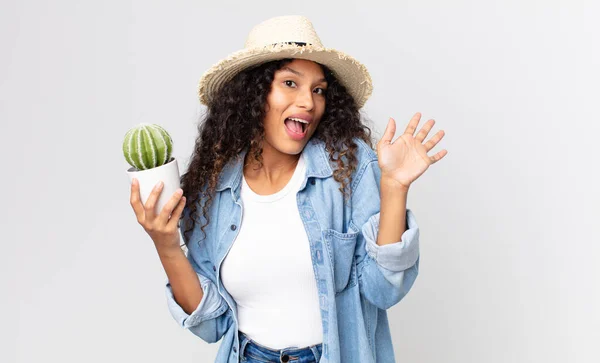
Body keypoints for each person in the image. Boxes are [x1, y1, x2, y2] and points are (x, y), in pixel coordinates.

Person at [129, 15, 447, 363]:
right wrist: (167, 246)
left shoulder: (349, 168)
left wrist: (394, 187)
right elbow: (211, 325)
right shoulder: (214, 187)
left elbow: (383, 288)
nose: (309, 103)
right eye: (290, 83)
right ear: (253, 94)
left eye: (318, 89)